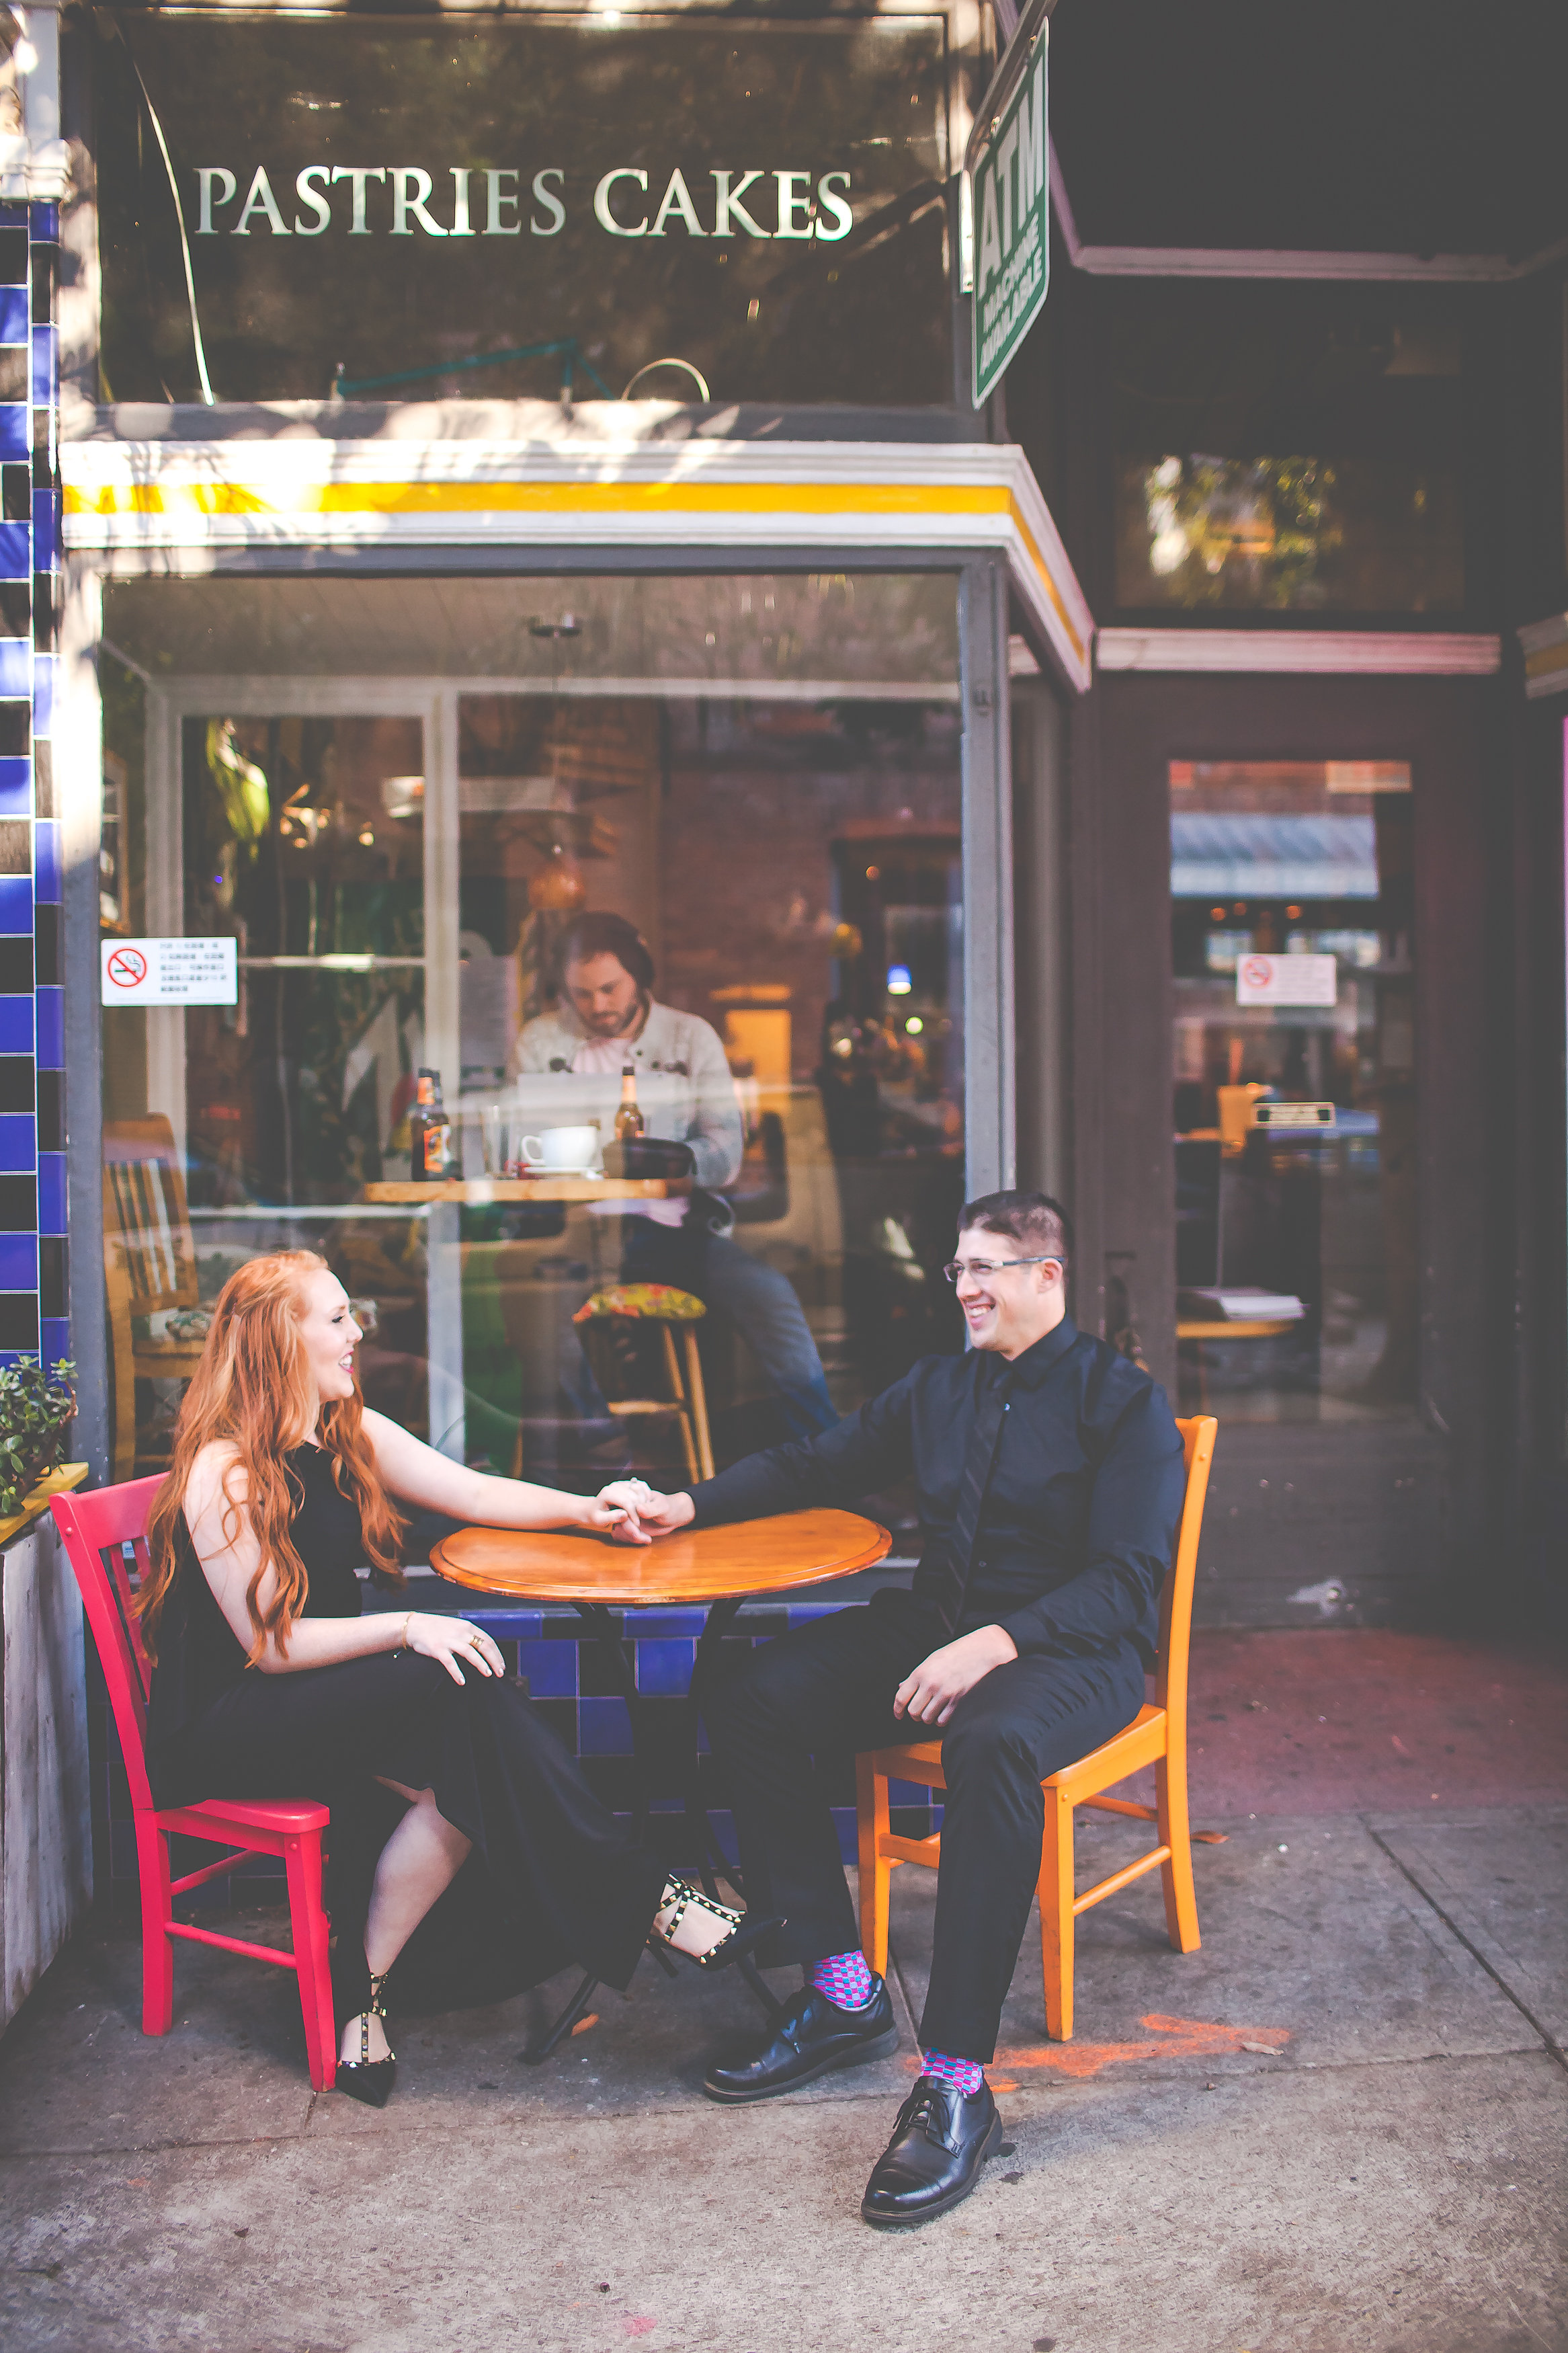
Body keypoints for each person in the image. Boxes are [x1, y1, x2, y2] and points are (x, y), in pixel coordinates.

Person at [605, 1191, 1187, 2225]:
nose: (963, 1287)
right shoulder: (940, 1388)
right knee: (754, 1698)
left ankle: (958, 2086)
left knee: (994, 1738)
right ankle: (840, 1991)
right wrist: (685, 1503)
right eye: (956, 1267)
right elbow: (814, 1461)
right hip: (939, 1625)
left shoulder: (1121, 1402)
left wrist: (995, 1643)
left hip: (1071, 1653)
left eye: (985, 1269)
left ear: (1046, 1278)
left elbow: (1129, 1577)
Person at [136, 1250, 778, 2106]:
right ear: (274, 1338)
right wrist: (407, 1622)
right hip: (234, 1719)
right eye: (334, 1317)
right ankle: (650, 1896)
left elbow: (473, 1490)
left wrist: (588, 1509)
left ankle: (361, 1990)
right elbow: (271, 1648)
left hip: (312, 1697)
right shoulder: (225, 1469)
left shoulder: (339, 1430)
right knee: (454, 1680)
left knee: (470, 1729)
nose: (356, 1331)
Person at [510, 911, 837, 1439]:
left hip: (667, 1234)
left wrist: (662, 1163)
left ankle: (827, 1460)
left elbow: (725, 1153)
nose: (598, 1006)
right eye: (581, 994)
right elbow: (521, 1150)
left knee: (770, 1294)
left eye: (610, 989)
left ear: (639, 973)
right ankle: (596, 1455)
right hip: (572, 1231)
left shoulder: (690, 1038)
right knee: (536, 1319)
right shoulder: (540, 1041)